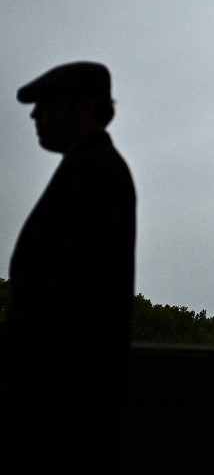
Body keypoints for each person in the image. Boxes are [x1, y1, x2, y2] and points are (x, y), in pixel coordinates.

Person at [0, 61, 137, 470]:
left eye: (46, 104)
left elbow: (71, 289)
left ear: (81, 107)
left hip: (58, 400)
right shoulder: (94, 168)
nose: (35, 114)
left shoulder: (92, 171)